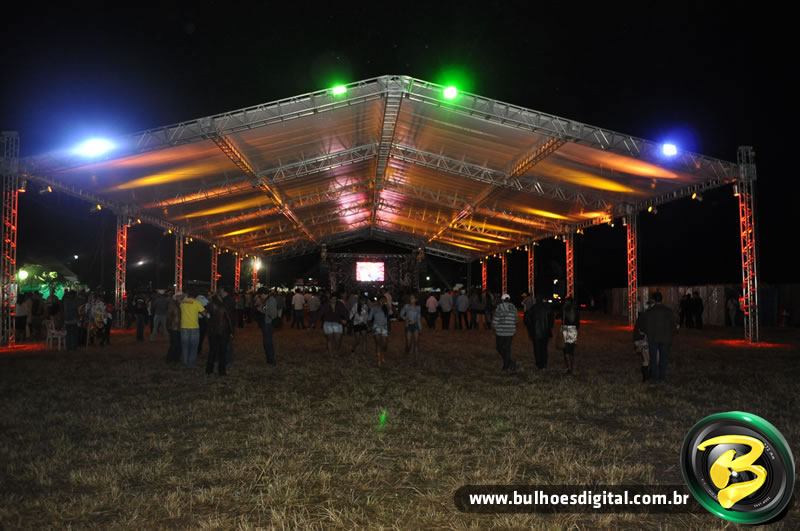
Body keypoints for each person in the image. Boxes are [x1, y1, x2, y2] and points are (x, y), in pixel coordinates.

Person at [642, 291, 675, 382]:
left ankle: (655, 377)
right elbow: (673, 325)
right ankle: (662, 376)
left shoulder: (649, 312)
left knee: (653, 359)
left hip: (653, 338)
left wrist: (648, 334)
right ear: (662, 299)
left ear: (653, 300)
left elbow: (645, 326)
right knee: (663, 358)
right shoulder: (668, 311)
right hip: (665, 338)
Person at [206, 293, 233, 376]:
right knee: (222, 351)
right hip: (223, 331)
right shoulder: (224, 306)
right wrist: (231, 331)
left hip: (212, 331)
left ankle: (209, 369)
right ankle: (221, 370)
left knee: (212, 350)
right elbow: (228, 319)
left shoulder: (209, 306)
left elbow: (207, 316)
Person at [524, 297, 553, 369]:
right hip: (545, 332)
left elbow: (526, 319)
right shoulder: (547, 308)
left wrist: (530, 328)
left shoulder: (533, 308)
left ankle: (539, 364)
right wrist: (549, 327)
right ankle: (544, 363)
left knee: (537, 349)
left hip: (536, 332)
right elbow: (551, 320)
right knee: (544, 348)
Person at [492, 293, 518, 372]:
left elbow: (495, 320)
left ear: (502, 300)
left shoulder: (499, 308)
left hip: (500, 332)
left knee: (499, 347)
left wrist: (495, 327)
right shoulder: (514, 308)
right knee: (507, 348)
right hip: (510, 332)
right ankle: (508, 362)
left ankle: (507, 364)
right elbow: (516, 320)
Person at [179, 293, 206, 368]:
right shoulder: (196, 302)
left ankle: (185, 362)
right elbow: (204, 313)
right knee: (194, 346)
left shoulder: (182, 302)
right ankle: (191, 364)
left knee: (185, 345)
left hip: (184, 326)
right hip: (194, 327)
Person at [633, 299, 654, 382]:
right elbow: (642, 330)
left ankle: (646, 378)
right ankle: (646, 378)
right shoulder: (646, 316)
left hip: (640, 340)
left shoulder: (643, 316)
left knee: (647, 359)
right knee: (647, 359)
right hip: (642, 340)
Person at [400, 294, 423, 361]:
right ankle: (407, 351)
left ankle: (416, 357)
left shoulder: (418, 308)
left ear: (416, 300)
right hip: (408, 326)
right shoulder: (406, 306)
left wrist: (420, 328)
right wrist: (405, 318)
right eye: (410, 298)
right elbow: (401, 314)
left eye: (413, 298)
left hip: (415, 325)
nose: (411, 299)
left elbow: (418, 318)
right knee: (409, 343)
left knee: (416, 342)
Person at [561, 297, 580, 375]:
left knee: (565, 349)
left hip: (566, 329)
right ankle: (572, 368)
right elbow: (578, 322)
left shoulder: (565, 309)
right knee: (571, 349)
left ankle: (568, 368)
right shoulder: (576, 309)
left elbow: (560, 318)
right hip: (573, 329)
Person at [369, 296, 390, 366]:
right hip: (376, 326)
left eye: (384, 300)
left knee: (384, 344)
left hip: (384, 327)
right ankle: (379, 359)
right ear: (378, 300)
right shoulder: (374, 308)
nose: (382, 302)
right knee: (378, 343)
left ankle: (382, 355)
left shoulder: (386, 308)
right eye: (381, 300)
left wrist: (388, 306)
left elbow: (390, 316)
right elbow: (369, 318)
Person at [261, 290, 278, 366]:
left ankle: (271, 359)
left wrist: (266, 312)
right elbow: (265, 310)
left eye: (261, 295)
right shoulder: (267, 300)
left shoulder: (271, 300)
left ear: (264, 294)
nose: (260, 297)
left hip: (269, 323)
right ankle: (269, 358)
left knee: (268, 342)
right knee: (266, 342)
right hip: (266, 322)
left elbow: (273, 314)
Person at [166, 294, 182, 363]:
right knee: (175, 344)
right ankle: (170, 358)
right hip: (174, 327)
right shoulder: (172, 305)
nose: (182, 298)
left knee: (177, 344)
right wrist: (169, 326)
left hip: (179, 327)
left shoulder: (180, 305)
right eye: (180, 297)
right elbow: (169, 316)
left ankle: (175, 358)